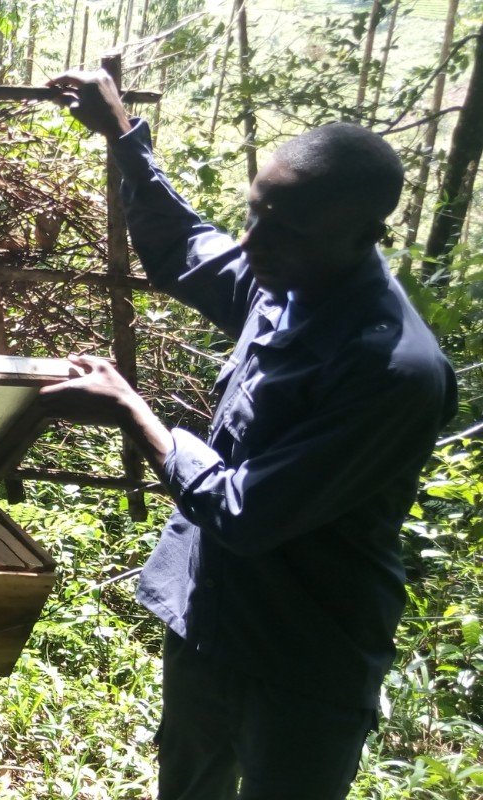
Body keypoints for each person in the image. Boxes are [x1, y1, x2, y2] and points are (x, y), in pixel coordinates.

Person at [39, 71, 457, 799]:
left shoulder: (390, 370)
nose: (253, 242)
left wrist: (133, 411)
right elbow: (186, 249)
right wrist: (126, 138)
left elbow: (245, 511)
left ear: (363, 236)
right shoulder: (289, 279)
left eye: (285, 229)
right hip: (210, 617)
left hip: (305, 652)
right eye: (256, 213)